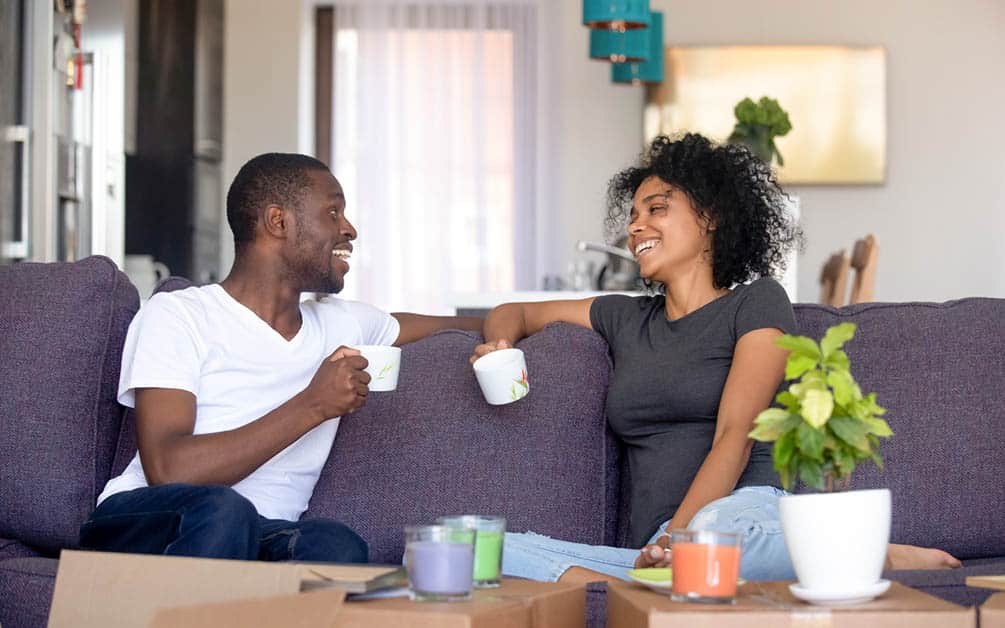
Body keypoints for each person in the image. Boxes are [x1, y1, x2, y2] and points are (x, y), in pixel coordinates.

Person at [471, 134, 961, 583]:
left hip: (737, 515)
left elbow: (735, 438)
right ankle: (638, 582)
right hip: (653, 552)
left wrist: (677, 540)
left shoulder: (756, 303)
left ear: (710, 218)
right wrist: (500, 345)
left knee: (711, 538)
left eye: (656, 209)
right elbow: (513, 311)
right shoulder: (624, 318)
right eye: (633, 214)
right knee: (467, 550)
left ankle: (865, 551)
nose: (635, 225)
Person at [80, 153, 482, 563]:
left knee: (334, 544)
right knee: (223, 511)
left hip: (258, 534)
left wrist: (507, 328)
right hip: (146, 519)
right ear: (278, 222)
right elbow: (168, 469)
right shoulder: (179, 315)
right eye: (333, 211)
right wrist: (313, 405)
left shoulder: (345, 325)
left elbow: (470, 325)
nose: (350, 229)